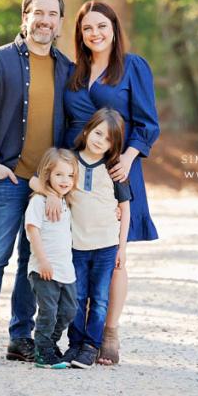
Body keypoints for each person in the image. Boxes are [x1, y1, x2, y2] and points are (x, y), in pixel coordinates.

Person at [0, 0, 74, 365]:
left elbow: (74, 127)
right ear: (25, 16)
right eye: (38, 13)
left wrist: (59, 186)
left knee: (35, 262)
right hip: (7, 180)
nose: (45, 20)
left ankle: (20, 339)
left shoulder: (67, 70)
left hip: (45, 190)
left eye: (52, 15)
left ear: (60, 23)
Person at [45, 0, 160, 365]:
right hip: (75, 175)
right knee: (76, 252)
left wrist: (127, 158)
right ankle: (79, 336)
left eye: (102, 26)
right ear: (80, 33)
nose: (95, 33)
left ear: (114, 29)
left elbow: (147, 123)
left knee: (113, 258)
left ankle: (109, 332)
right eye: (87, 28)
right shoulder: (72, 72)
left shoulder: (132, 68)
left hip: (116, 171)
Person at [61, 108, 131, 369]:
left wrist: (121, 249)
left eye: (108, 138)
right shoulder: (69, 162)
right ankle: (75, 344)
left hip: (106, 246)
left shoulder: (114, 169)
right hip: (76, 245)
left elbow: (125, 209)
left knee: (99, 299)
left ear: (114, 145)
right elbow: (48, 184)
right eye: (98, 133)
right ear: (87, 130)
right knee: (76, 297)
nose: (101, 140)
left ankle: (91, 345)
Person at [24, 148, 79, 369]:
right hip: (44, 269)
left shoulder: (66, 202)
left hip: (66, 270)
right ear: (47, 175)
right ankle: (42, 351)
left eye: (70, 175)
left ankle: (49, 344)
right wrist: (43, 261)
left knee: (69, 310)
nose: (65, 180)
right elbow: (32, 230)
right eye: (59, 175)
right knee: (48, 311)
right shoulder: (39, 201)